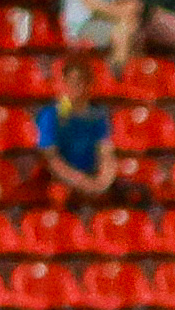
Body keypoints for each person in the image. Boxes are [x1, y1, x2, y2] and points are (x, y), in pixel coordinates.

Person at [36, 58, 126, 205]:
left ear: (89, 85)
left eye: (81, 82)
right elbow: (52, 159)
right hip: (62, 180)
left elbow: (105, 152)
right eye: (71, 82)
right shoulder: (50, 115)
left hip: (92, 177)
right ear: (64, 83)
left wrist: (104, 181)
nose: (76, 87)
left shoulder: (98, 116)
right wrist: (81, 181)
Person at [58, 0, 139, 69]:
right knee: (122, 31)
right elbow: (95, 9)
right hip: (81, 26)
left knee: (127, 27)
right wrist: (122, 14)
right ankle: (117, 73)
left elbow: (131, 6)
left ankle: (121, 70)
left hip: (103, 21)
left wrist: (125, 13)